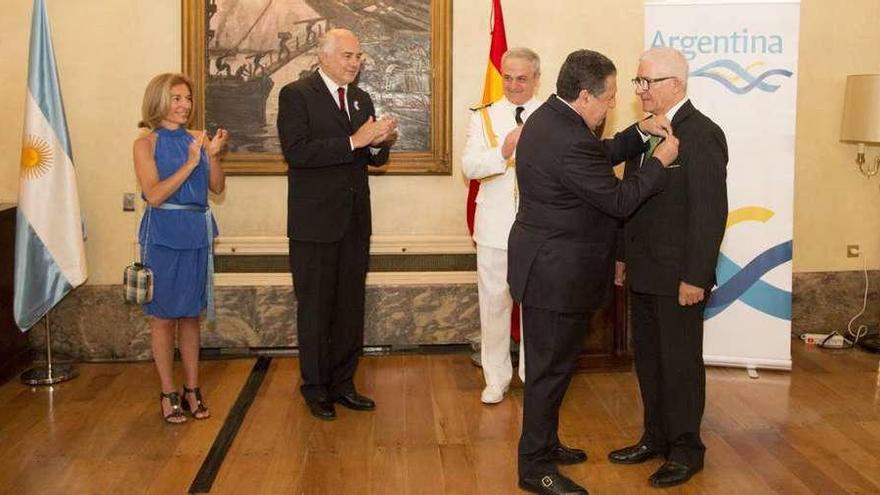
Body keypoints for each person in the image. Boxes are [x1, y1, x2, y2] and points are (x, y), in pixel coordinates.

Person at [508, 49, 679, 495]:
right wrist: (659, 161)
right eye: (608, 100)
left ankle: (545, 442)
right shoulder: (567, 139)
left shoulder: (551, 118)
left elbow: (597, 153)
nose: (611, 106)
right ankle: (535, 469)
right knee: (548, 374)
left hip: (545, 267)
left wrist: (638, 134)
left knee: (554, 370)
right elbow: (620, 200)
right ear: (585, 96)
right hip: (555, 275)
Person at [609, 47, 728, 488]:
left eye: (647, 82)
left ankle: (686, 449)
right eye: (637, 82)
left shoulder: (702, 135)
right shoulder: (642, 134)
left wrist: (696, 275)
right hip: (642, 270)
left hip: (680, 277)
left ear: (675, 85)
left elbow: (709, 212)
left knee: (679, 364)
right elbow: (631, 199)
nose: (639, 90)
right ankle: (654, 437)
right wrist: (622, 256)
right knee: (650, 362)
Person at [277, 29, 398, 421]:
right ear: (323, 56)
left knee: (349, 306)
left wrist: (381, 142)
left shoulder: (361, 98)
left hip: (354, 222)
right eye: (348, 55)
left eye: (358, 56)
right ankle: (315, 388)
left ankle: (344, 383)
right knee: (315, 309)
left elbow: (371, 159)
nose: (355, 62)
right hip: (314, 225)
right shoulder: (296, 95)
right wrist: (353, 141)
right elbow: (296, 153)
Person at [133, 73, 227, 424]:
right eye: (176, 98)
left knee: (190, 316)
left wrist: (212, 156)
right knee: (163, 318)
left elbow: (216, 188)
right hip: (163, 235)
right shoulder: (146, 144)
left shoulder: (198, 139)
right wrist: (190, 163)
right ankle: (168, 391)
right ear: (159, 100)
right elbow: (154, 195)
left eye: (187, 98)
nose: (184, 105)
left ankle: (192, 389)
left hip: (197, 232)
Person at [461, 47, 542, 404]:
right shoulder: (484, 116)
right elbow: (470, 167)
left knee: (538, 306)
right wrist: (504, 151)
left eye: (521, 78)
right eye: (507, 77)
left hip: (541, 229)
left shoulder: (552, 115)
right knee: (494, 305)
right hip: (495, 227)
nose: (513, 85)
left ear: (536, 79)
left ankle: (533, 376)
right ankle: (496, 378)